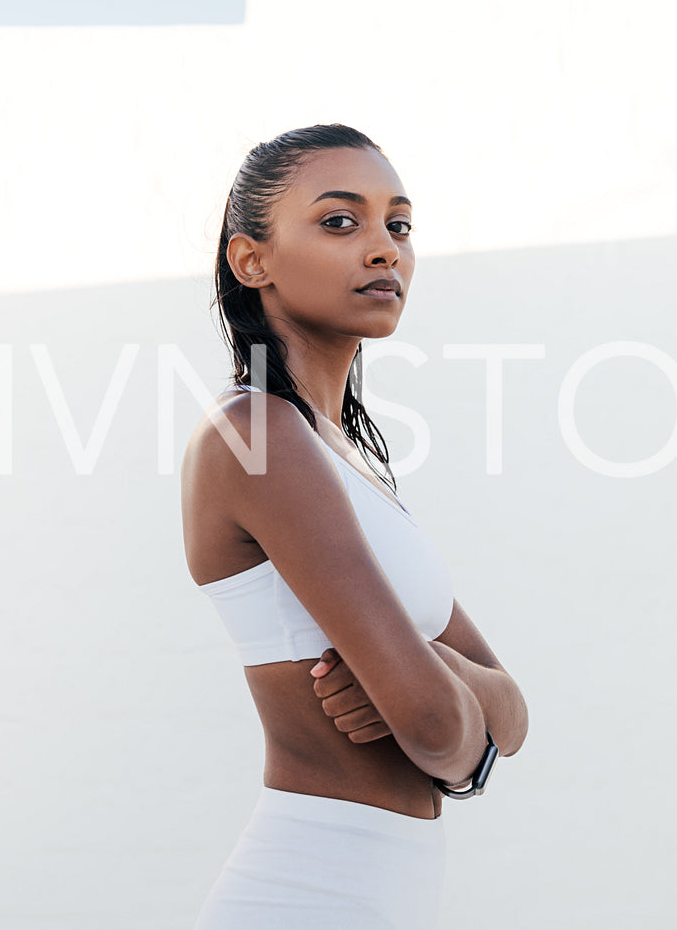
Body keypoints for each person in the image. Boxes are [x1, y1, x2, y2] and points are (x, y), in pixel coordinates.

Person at [179, 123, 529, 928]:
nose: (382, 249)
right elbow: (442, 733)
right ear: (251, 260)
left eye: (396, 225)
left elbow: (505, 715)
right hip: (311, 889)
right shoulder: (257, 435)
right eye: (340, 222)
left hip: (383, 890)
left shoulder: (338, 455)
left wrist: (426, 671)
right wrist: (437, 695)